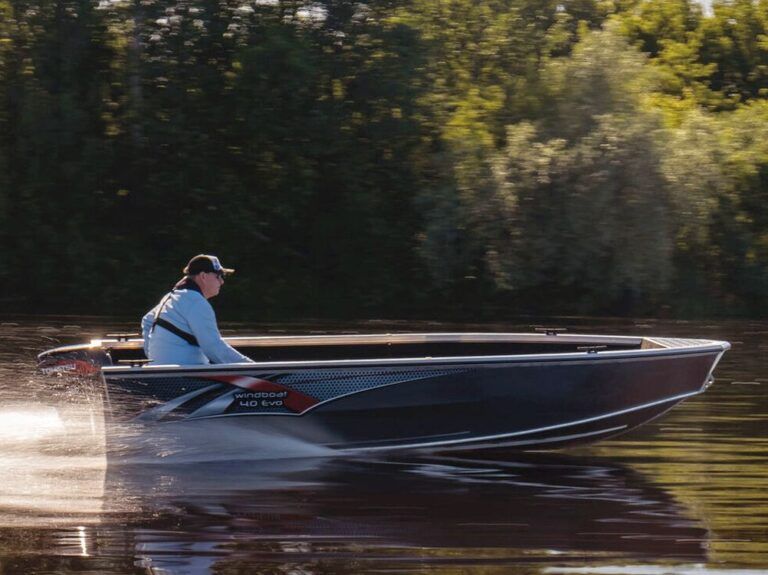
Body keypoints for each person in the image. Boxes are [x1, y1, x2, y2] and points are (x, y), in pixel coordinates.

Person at [141, 254, 254, 365]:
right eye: (218, 276)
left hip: (162, 373)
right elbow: (213, 347)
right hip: (187, 377)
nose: (222, 281)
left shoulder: (171, 297)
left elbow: (147, 321)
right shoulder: (196, 302)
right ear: (203, 276)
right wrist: (252, 367)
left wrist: (153, 358)